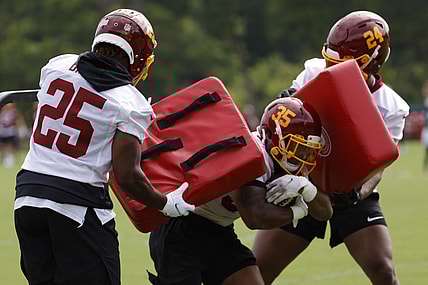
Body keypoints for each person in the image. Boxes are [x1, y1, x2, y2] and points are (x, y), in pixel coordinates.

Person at [14, 8, 195, 285]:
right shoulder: (130, 103)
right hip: (78, 207)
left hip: (27, 199)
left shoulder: (57, 66)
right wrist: (166, 204)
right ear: (138, 56)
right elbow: (127, 176)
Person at [252, 11, 409, 285]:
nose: (333, 68)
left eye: (344, 63)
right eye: (331, 60)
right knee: (257, 273)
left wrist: (358, 194)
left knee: (383, 271)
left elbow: (378, 165)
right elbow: (284, 118)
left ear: (373, 62)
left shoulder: (391, 107)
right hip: (302, 184)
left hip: (348, 190)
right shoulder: (315, 72)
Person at [148, 97, 333, 285]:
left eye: (307, 150)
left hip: (219, 231)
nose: (302, 156)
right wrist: (298, 211)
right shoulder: (250, 152)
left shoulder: (293, 165)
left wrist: (307, 189)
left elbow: (325, 212)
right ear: (274, 137)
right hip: (182, 230)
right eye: (298, 148)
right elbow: (255, 216)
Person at [0, 103, 25, 168]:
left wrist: (20, 128)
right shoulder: (3, 112)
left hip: (11, 131)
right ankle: (6, 157)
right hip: (4, 131)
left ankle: (11, 158)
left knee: (11, 145)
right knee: (4, 145)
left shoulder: (14, 112)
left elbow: (18, 120)